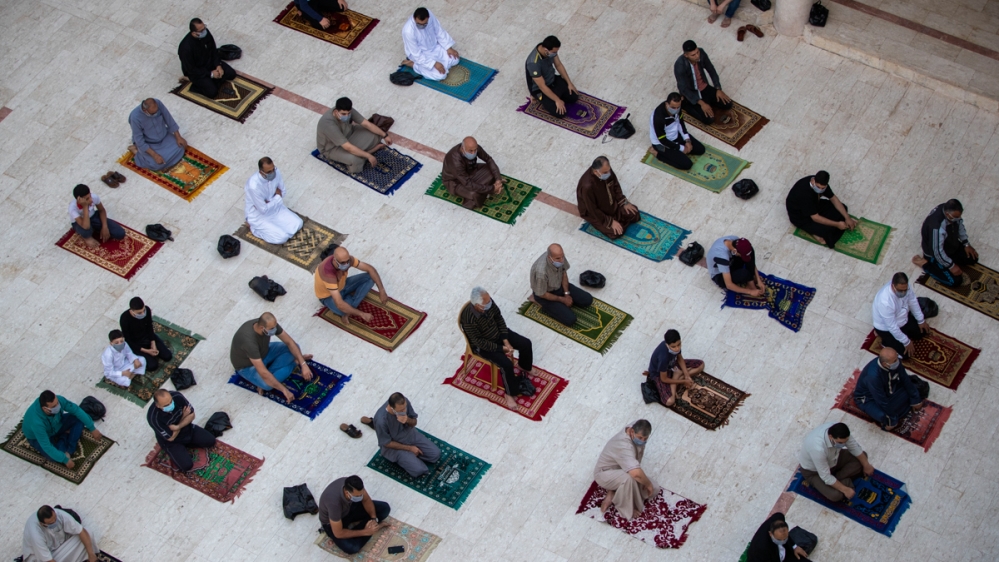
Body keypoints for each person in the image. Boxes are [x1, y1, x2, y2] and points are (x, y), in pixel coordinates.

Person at [460, 287, 536, 409]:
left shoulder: (488, 304)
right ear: (478, 306)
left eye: (489, 299)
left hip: (498, 334)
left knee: (525, 343)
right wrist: (502, 349)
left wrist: (506, 340)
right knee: (506, 364)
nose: (490, 302)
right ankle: (509, 394)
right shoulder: (468, 319)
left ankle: (524, 365)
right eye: (486, 302)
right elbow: (479, 342)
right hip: (484, 346)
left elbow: (499, 319)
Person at [230, 312, 313, 402]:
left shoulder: (269, 324)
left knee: (294, 347)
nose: (275, 329)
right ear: (262, 328)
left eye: (275, 325)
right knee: (267, 385)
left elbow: (290, 342)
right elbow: (263, 372)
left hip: (265, 351)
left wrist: (304, 365)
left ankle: (271, 375)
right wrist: (284, 390)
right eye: (272, 328)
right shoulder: (249, 342)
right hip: (248, 365)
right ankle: (294, 363)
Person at [593, 420, 659, 520]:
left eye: (645, 438)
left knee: (655, 489)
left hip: (621, 469)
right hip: (604, 474)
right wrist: (647, 484)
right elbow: (635, 474)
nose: (642, 441)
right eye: (640, 438)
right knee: (630, 478)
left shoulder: (635, 426)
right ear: (632, 431)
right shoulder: (624, 445)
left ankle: (614, 492)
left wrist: (649, 485)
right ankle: (627, 509)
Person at [798, 422, 874, 502]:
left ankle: (836, 480)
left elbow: (855, 448)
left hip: (835, 457)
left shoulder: (839, 431)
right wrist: (845, 489)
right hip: (814, 472)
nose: (844, 444)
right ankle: (844, 482)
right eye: (840, 443)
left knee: (862, 458)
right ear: (830, 436)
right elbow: (826, 477)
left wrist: (866, 465)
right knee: (835, 495)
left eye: (845, 441)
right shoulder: (817, 449)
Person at [22, 391, 101, 468]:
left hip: (57, 424)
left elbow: (76, 410)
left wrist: (92, 428)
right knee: (53, 457)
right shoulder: (37, 422)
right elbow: (46, 446)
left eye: (57, 403)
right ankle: (65, 438)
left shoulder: (59, 400)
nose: (57, 406)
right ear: (45, 409)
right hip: (37, 437)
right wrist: (64, 460)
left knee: (78, 418)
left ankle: (69, 449)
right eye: (53, 406)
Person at [316, 97, 392, 174]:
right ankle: (367, 153)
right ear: (336, 112)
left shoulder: (348, 110)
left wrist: (385, 135)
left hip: (349, 134)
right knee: (355, 160)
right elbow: (347, 147)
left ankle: (362, 154)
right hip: (332, 148)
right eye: (343, 114)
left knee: (376, 134)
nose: (347, 115)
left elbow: (367, 124)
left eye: (349, 113)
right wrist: (368, 156)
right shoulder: (328, 124)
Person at [855, 348, 926, 431]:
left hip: (889, 389)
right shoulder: (873, 377)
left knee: (917, 387)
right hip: (870, 399)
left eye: (897, 357)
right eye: (895, 360)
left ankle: (900, 409)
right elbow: (881, 400)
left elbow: (904, 377)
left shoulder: (893, 362)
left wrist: (915, 399)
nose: (898, 361)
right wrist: (892, 420)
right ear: (885, 364)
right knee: (884, 416)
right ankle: (894, 415)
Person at [314, 246, 388, 325]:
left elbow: (370, 269)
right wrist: (362, 314)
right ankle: (348, 305)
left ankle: (349, 302)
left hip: (342, 286)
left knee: (370, 277)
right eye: (343, 263)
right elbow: (339, 304)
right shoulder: (327, 273)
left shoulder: (347, 260)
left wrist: (382, 290)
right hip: (328, 296)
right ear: (335, 261)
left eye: (347, 261)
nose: (346, 264)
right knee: (342, 309)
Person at [147, 389, 216, 472]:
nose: (170, 405)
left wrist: (177, 426)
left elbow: (192, 415)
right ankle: (179, 449)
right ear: (158, 406)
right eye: (166, 405)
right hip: (172, 441)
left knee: (211, 441)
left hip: (186, 429)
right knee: (186, 466)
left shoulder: (177, 396)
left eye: (170, 401)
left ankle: (186, 445)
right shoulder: (154, 418)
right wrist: (183, 416)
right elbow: (171, 438)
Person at [913, 199, 979, 287]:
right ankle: (925, 264)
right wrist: (951, 266)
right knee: (954, 281)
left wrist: (966, 244)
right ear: (948, 214)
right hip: (935, 254)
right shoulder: (937, 227)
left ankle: (948, 262)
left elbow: (960, 226)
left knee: (972, 258)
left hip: (949, 245)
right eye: (956, 217)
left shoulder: (951, 212)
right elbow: (937, 251)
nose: (958, 219)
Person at [319, 475, 391, 554]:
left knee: (384, 509)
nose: (360, 497)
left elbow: (366, 500)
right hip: (333, 523)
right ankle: (368, 530)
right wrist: (366, 531)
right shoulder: (334, 503)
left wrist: (373, 519)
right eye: (357, 496)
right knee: (353, 548)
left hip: (350, 508)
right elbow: (338, 533)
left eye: (361, 494)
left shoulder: (353, 485)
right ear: (347, 493)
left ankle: (368, 528)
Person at [373, 393, 441, 477]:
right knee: (419, 470)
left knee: (435, 454)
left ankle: (412, 457)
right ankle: (407, 458)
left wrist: (407, 420)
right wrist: (410, 448)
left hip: (409, 434)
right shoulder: (381, 421)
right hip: (394, 446)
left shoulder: (404, 402)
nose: (404, 411)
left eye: (404, 408)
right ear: (391, 407)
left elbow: (414, 422)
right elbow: (386, 443)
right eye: (400, 410)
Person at [786, 170, 856, 249]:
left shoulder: (821, 183)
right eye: (818, 187)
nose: (820, 189)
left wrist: (847, 217)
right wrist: (837, 224)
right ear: (813, 181)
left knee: (843, 208)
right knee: (828, 234)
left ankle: (836, 224)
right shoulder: (805, 194)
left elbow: (833, 199)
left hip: (815, 205)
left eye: (822, 188)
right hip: (800, 216)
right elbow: (815, 218)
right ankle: (813, 232)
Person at [529, 243, 593, 326]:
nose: (561, 260)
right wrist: (562, 299)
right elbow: (542, 294)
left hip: (559, 285)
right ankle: (537, 300)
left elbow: (564, 274)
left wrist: (567, 294)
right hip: (545, 294)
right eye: (558, 258)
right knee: (570, 320)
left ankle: (560, 302)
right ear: (549, 258)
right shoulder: (541, 272)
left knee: (587, 300)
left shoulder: (559, 257)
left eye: (562, 256)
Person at [576, 156, 640, 238]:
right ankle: (616, 222)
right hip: (597, 214)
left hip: (612, 204)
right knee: (616, 232)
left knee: (634, 213)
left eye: (609, 170)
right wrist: (610, 222)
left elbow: (615, 185)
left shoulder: (606, 170)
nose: (609, 173)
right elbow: (592, 209)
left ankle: (619, 221)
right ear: (596, 172)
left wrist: (624, 202)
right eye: (605, 172)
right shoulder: (587, 186)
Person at [244, 157, 303, 244]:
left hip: (276, 208)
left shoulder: (276, 172)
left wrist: (271, 201)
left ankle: (277, 226)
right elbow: (263, 210)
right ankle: (253, 228)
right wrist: (277, 197)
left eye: (273, 169)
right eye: (269, 172)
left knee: (298, 223)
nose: (272, 173)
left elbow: (283, 191)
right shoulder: (254, 186)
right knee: (282, 238)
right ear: (261, 171)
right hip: (258, 215)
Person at [674, 41, 732, 125]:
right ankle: (686, 104)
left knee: (728, 104)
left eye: (697, 52)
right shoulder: (680, 65)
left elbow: (711, 70)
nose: (697, 56)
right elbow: (683, 88)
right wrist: (702, 103)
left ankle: (707, 102)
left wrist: (718, 88)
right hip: (691, 93)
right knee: (709, 119)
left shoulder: (702, 53)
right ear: (686, 55)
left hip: (704, 88)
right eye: (693, 55)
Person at [872, 272, 928, 358]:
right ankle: (886, 342)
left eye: (905, 290)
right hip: (886, 327)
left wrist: (921, 320)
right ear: (893, 285)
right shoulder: (885, 302)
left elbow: (912, 301)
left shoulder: (905, 286)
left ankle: (902, 335)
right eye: (900, 290)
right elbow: (892, 326)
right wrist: (906, 342)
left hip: (903, 317)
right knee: (906, 354)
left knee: (922, 332)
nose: (904, 292)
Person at [644, 329, 704, 407]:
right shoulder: (663, 358)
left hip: (672, 365)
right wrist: (683, 382)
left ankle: (678, 375)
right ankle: (676, 376)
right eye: (673, 347)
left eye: (679, 345)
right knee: (670, 401)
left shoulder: (675, 346)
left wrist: (686, 375)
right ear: (667, 345)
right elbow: (664, 379)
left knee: (701, 365)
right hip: (659, 374)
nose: (677, 348)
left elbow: (679, 358)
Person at [178, 18, 236, 98]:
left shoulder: (205, 33)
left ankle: (211, 81)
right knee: (212, 92)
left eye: (204, 27)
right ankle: (194, 85)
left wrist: (218, 65)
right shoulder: (185, 48)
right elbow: (191, 69)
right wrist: (211, 74)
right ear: (194, 32)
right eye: (201, 30)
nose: (204, 31)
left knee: (231, 74)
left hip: (210, 63)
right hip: (198, 72)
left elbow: (213, 50)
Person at [441, 136, 503, 209]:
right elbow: (467, 183)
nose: (473, 153)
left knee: (491, 169)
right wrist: (492, 188)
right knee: (475, 193)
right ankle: (472, 199)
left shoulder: (474, 147)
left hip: (471, 171)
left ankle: (486, 187)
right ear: (463, 148)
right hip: (456, 182)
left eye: (475, 150)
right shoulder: (455, 161)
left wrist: (498, 179)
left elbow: (488, 159)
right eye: (470, 151)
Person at [22, 505, 100, 562]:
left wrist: (91, 554)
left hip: (60, 547)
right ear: (43, 524)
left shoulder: (59, 513)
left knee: (88, 533)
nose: (55, 522)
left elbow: (81, 531)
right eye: (51, 523)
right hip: (43, 557)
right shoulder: (35, 533)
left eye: (55, 519)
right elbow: (48, 559)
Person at [649, 93, 705, 170]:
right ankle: (658, 154)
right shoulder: (658, 118)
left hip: (675, 135)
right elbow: (662, 140)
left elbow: (681, 123)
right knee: (687, 165)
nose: (676, 110)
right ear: (667, 103)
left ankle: (677, 150)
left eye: (678, 107)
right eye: (673, 107)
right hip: (662, 143)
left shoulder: (677, 109)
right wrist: (681, 148)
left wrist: (687, 140)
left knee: (701, 149)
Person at [525, 35, 578, 117]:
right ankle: (538, 97)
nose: (555, 54)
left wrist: (569, 83)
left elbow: (559, 65)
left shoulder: (550, 51)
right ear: (546, 50)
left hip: (552, 80)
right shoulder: (533, 63)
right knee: (560, 113)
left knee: (573, 97)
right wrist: (557, 100)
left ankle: (556, 94)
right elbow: (542, 86)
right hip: (540, 89)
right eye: (554, 52)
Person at [128, 98, 186, 171]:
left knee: (181, 146)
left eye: (156, 112)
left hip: (164, 137)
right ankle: (136, 152)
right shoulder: (134, 117)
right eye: (153, 113)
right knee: (156, 164)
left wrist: (178, 136)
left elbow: (169, 118)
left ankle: (165, 162)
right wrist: (154, 155)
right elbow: (139, 140)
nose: (155, 114)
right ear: (145, 111)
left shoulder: (157, 103)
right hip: (149, 143)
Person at [401, 7, 459, 81]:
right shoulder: (408, 31)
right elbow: (416, 54)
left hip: (434, 47)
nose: (422, 26)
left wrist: (448, 47)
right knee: (441, 75)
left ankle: (440, 63)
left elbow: (439, 31)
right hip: (421, 55)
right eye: (419, 24)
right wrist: (434, 63)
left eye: (424, 24)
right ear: (414, 18)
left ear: (428, 18)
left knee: (455, 59)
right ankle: (414, 65)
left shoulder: (430, 14)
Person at [119, 296, 173, 372]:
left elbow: (149, 327)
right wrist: (147, 351)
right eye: (139, 313)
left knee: (168, 356)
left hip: (147, 337)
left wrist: (153, 344)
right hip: (136, 343)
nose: (143, 313)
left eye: (143, 310)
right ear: (132, 311)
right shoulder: (124, 319)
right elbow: (128, 340)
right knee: (153, 366)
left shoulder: (147, 310)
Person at [68, 184, 125, 249]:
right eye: (87, 199)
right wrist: (85, 207)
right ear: (79, 201)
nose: (91, 200)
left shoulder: (94, 197)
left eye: (90, 196)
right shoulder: (72, 208)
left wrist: (104, 227)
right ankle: (86, 237)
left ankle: (96, 229)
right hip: (81, 222)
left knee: (120, 233)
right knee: (86, 231)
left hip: (93, 216)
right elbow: (86, 226)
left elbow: (101, 210)